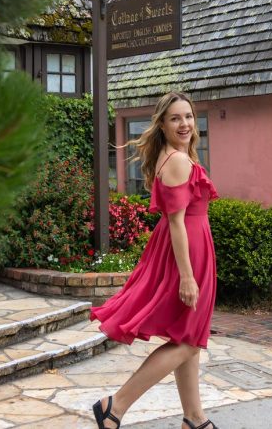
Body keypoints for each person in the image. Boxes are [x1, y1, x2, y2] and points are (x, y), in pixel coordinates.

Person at [89, 92, 219, 429]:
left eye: (188, 116)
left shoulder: (172, 155)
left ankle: (194, 417)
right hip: (186, 254)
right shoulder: (177, 160)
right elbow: (177, 223)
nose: (185, 123)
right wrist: (188, 277)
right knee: (189, 342)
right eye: (175, 118)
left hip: (187, 249)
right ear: (162, 123)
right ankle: (114, 405)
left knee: (186, 337)